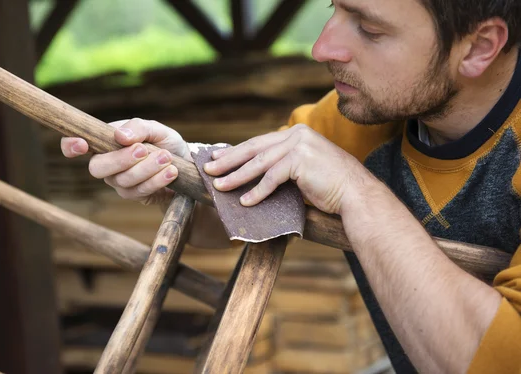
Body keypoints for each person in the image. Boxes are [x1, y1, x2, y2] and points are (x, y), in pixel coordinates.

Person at [61, 0, 521, 372]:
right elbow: (228, 219)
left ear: (479, 47)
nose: (322, 48)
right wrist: (179, 175)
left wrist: (356, 192)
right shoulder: (355, 119)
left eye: (370, 28)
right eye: (334, 8)